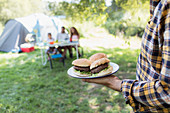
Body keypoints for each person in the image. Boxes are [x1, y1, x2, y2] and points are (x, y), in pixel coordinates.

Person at [82, 0, 170, 112]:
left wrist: (116, 83)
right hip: (146, 106)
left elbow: (167, 93)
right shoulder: (157, 4)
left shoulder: (167, 7)